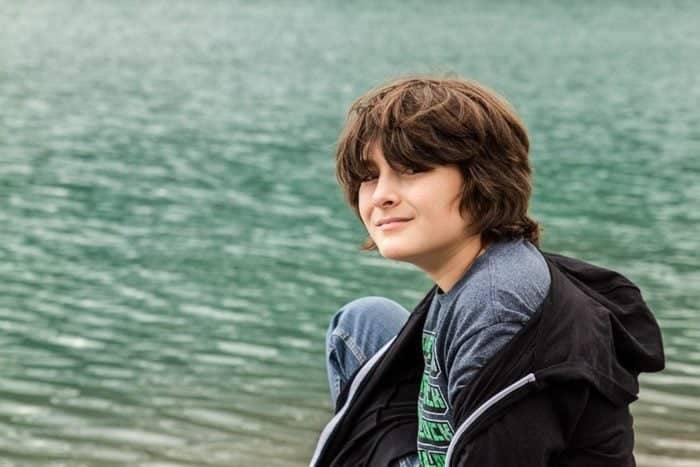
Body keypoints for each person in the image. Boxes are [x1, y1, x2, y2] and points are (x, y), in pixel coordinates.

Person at [309, 77, 664, 467]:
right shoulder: (480, 270)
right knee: (360, 323)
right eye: (369, 176)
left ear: (483, 177)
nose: (381, 196)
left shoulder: (496, 303)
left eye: (411, 169)